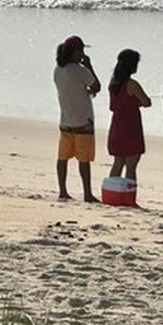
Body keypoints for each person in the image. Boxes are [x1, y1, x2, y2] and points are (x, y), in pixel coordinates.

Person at [53, 35, 101, 202]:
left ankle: (63, 190)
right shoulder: (80, 70)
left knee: (62, 158)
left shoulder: (58, 70)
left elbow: (72, 89)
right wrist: (89, 66)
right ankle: (87, 193)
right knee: (84, 160)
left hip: (65, 120)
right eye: (81, 51)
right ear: (75, 52)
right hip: (83, 121)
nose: (82, 54)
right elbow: (96, 86)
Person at [107, 49, 151, 183]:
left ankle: (112, 191)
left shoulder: (113, 83)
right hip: (130, 129)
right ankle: (129, 193)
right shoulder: (131, 84)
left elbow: (112, 106)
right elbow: (147, 102)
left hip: (117, 127)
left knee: (118, 163)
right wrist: (136, 103)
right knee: (131, 166)